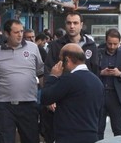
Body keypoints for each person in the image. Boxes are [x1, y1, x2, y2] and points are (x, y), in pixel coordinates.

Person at [0, 19, 45, 143]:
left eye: (21, 31)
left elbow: (41, 74)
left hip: (28, 105)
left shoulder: (33, 48)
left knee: (31, 139)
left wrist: (48, 97)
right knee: (5, 140)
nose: (20, 35)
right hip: (5, 106)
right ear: (7, 34)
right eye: (16, 32)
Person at [43, 12, 99, 143]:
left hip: (85, 98)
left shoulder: (91, 45)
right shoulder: (56, 45)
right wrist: (51, 97)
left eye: (75, 23)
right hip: (61, 95)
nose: (72, 26)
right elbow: (49, 70)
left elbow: (95, 71)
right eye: (69, 23)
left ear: (81, 25)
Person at [41, 43, 104, 143]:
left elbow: (45, 97)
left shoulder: (69, 79)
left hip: (69, 136)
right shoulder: (97, 82)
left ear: (67, 60)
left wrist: (53, 77)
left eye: (60, 59)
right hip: (91, 135)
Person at [97, 29, 121, 140]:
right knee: (98, 128)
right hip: (100, 95)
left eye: (115, 44)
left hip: (117, 96)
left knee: (117, 128)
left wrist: (120, 74)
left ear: (120, 43)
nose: (112, 46)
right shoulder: (98, 54)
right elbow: (89, 73)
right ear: (105, 41)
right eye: (110, 43)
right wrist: (101, 73)